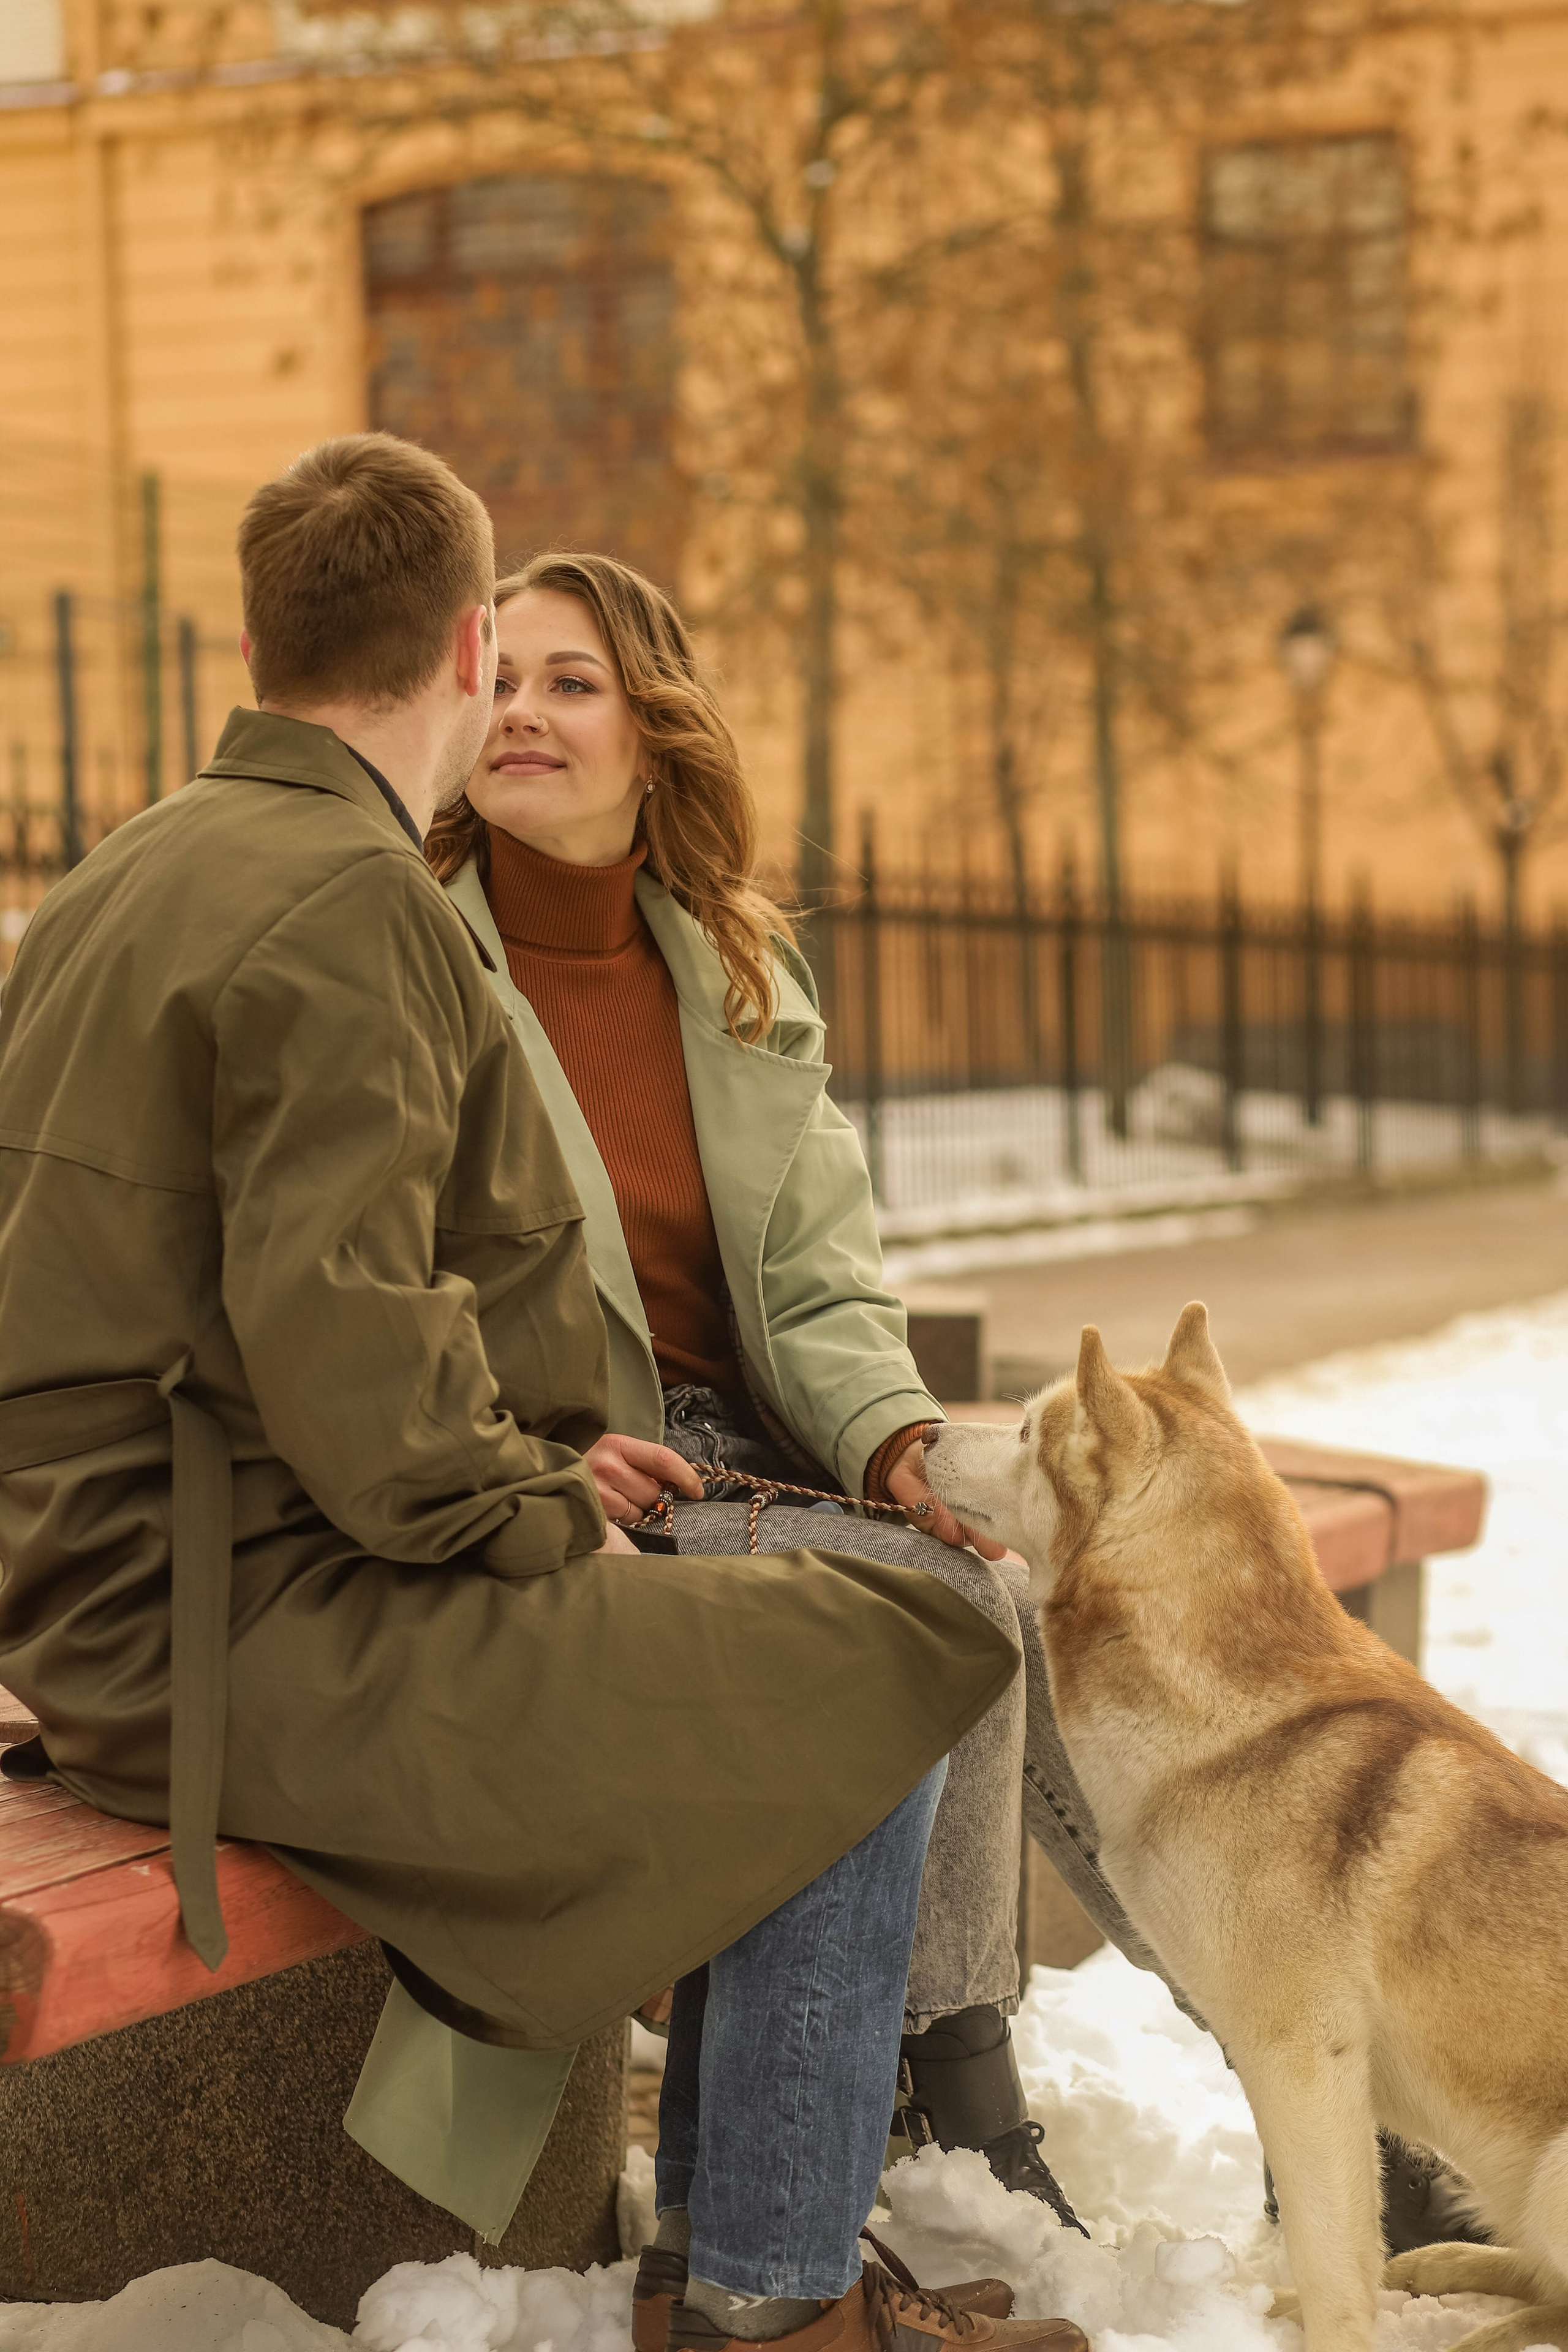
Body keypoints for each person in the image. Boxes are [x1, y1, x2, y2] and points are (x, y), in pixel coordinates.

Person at [0, 435, 1085, 2352]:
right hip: (239, 1618)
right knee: (869, 1658)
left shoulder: (130, 868)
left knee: (833, 1641)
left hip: (151, 1583)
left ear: (254, 637)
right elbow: (344, 1323)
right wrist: (521, 1500)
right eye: (511, 667)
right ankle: (767, 2300)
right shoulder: (351, 900)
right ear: (464, 639)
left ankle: (753, 2258)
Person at [423, 553, 1176, 2251]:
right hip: (585, 1485)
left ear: (654, 733)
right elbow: (377, 1281)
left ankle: (1307, 2084)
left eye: (572, 682)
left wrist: (896, 1440)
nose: (521, 713)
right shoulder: (411, 960)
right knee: (932, 1607)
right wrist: (524, 1463)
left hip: (763, 1462)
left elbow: (824, 1285)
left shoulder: (736, 969)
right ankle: (964, 2092)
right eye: (498, 678)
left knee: (1023, 1580)